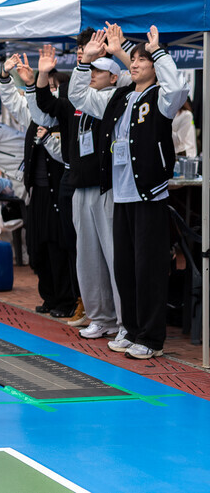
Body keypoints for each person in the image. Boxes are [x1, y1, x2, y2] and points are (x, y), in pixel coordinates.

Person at [70, 26, 189, 360]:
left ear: (155, 66)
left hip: (149, 194)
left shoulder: (161, 98)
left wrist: (159, 51)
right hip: (119, 195)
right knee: (124, 267)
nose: (135, 64)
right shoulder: (120, 97)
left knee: (148, 267)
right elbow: (79, 97)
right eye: (132, 59)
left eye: (143, 60)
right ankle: (132, 329)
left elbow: (178, 86)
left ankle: (151, 338)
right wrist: (85, 64)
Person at [34, 33, 126, 339]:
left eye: (98, 71)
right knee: (87, 257)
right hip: (79, 187)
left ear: (113, 75)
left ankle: (124, 322)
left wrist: (113, 54)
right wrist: (43, 75)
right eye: (91, 69)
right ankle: (100, 316)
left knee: (114, 257)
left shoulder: (115, 97)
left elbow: (117, 78)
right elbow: (61, 98)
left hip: (106, 188)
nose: (92, 75)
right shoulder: (85, 100)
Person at [0, 54, 74, 317]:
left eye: (53, 87)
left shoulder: (66, 120)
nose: (48, 92)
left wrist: (47, 140)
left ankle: (65, 301)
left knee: (58, 247)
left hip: (59, 193)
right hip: (37, 193)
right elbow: (12, 100)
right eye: (46, 86)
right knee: (38, 247)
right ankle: (49, 297)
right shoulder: (34, 114)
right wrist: (7, 76)